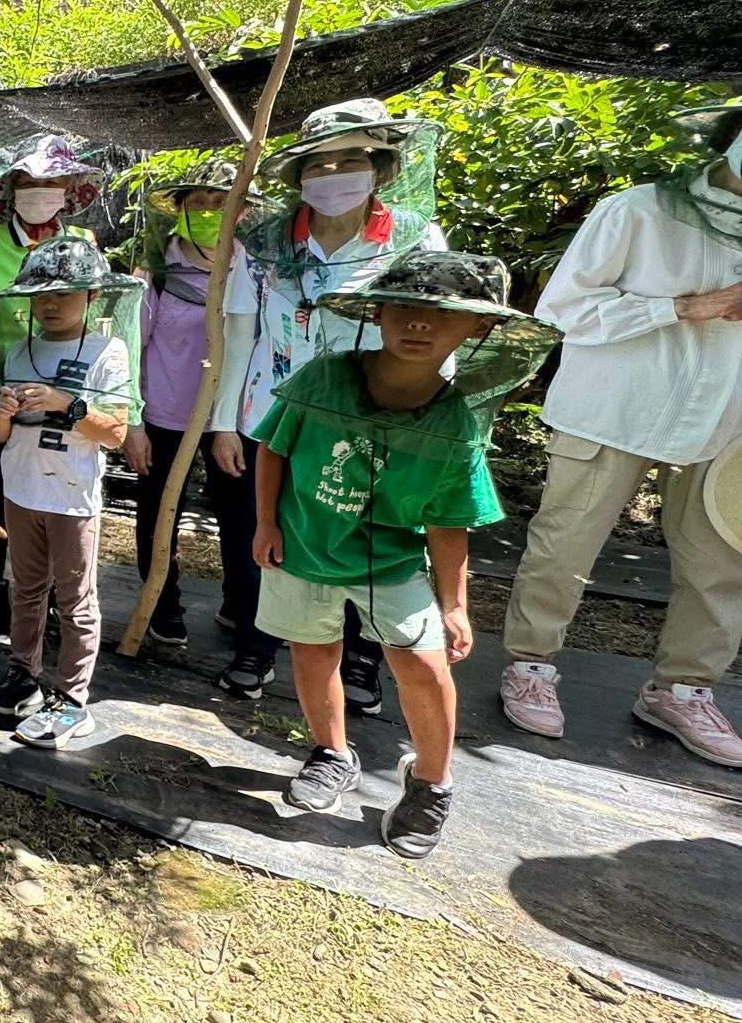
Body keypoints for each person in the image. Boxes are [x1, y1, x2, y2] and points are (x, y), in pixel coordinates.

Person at [252, 252, 557, 858]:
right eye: (405, 309)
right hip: (304, 546)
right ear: (378, 313)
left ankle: (431, 783)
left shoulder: (455, 425)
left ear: (478, 328)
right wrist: (265, 522)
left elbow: (449, 522)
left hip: (394, 563)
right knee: (313, 654)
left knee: (423, 665)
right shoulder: (324, 378)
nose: (419, 324)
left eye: (441, 314)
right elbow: (274, 447)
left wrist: (455, 606)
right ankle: (330, 752)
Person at [499, 99, 742, 768]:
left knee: (722, 560)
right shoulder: (639, 211)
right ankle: (531, 664)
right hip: (616, 408)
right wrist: (691, 307)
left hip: (728, 418)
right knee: (566, 540)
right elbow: (565, 308)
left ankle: (682, 689)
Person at [211, 98, 448, 707]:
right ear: (299, 176)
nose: (335, 174)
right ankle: (257, 646)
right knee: (262, 533)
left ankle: (363, 659)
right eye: (320, 163)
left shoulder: (414, 239)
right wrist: (224, 424)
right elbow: (242, 334)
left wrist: (429, 421)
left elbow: (438, 329)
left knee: (368, 534)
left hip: (380, 422)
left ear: (380, 167)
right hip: (270, 416)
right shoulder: (263, 243)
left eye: (351, 160)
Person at [0, 239, 137, 745]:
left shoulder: (108, 351)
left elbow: (115, 432)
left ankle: (72, 699)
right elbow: (0, 435)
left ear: (92, 295)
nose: (49, 305)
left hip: (72, 496)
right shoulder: (19, 350)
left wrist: (65, 404)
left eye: (64, 294)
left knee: (75, 598)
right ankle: (23, 671)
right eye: (40, 295)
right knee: (25, 588)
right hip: (20, 489)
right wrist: (2, 414)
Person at [0, 134, 105, 631]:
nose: (40, 192)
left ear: (69, 189)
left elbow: (101, 313)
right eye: (29, 184)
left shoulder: (83, 246)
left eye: (51, 183)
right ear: (12, 191)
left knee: (54, 484)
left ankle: (47, 592)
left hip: (66, 382)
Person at [124, 161, 254, 649]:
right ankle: (163, 604)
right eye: (198, 202)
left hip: (232, 420)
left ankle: (242, 606)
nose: (209, 211)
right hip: (163, 416)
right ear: (181, 210)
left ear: (240, 211)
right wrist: (132, 422)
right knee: (159, 513)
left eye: (221, 202)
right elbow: (130, 350)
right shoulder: (155, 275)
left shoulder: (253, 272)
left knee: (241, 517)